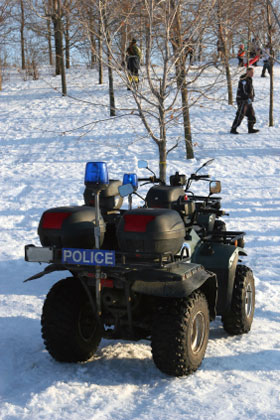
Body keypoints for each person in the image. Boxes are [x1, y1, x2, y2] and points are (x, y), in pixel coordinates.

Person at [230, 67, 259, 134]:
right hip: (242, 100)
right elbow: (244, 90)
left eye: (253, 72)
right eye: (251, 72)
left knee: (251, 114)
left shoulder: (249, 79)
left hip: (248, 100)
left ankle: (250, 129)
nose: (252, 74)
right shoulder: (243, 80)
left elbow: (251, 89)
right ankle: (233, 129)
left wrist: (252, 97)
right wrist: (248, 97)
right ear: (247, 72)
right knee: (241, 114)